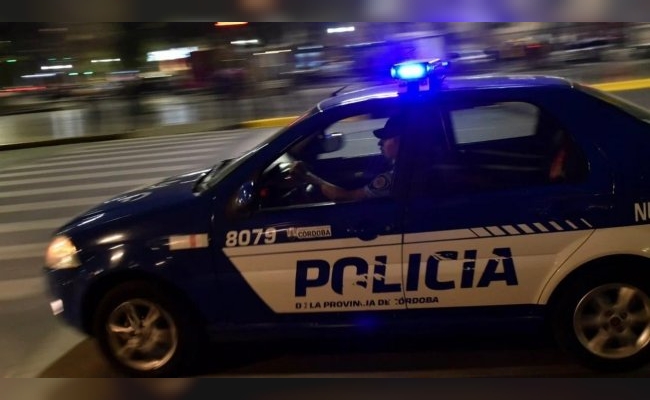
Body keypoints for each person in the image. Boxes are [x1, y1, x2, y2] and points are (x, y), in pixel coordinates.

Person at [289, 116, 403, 202]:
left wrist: (308, 177)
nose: (380, 143)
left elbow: (346, 197)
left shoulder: (393, 178)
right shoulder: (403, 169)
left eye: (385, 138)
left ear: (399, 141)